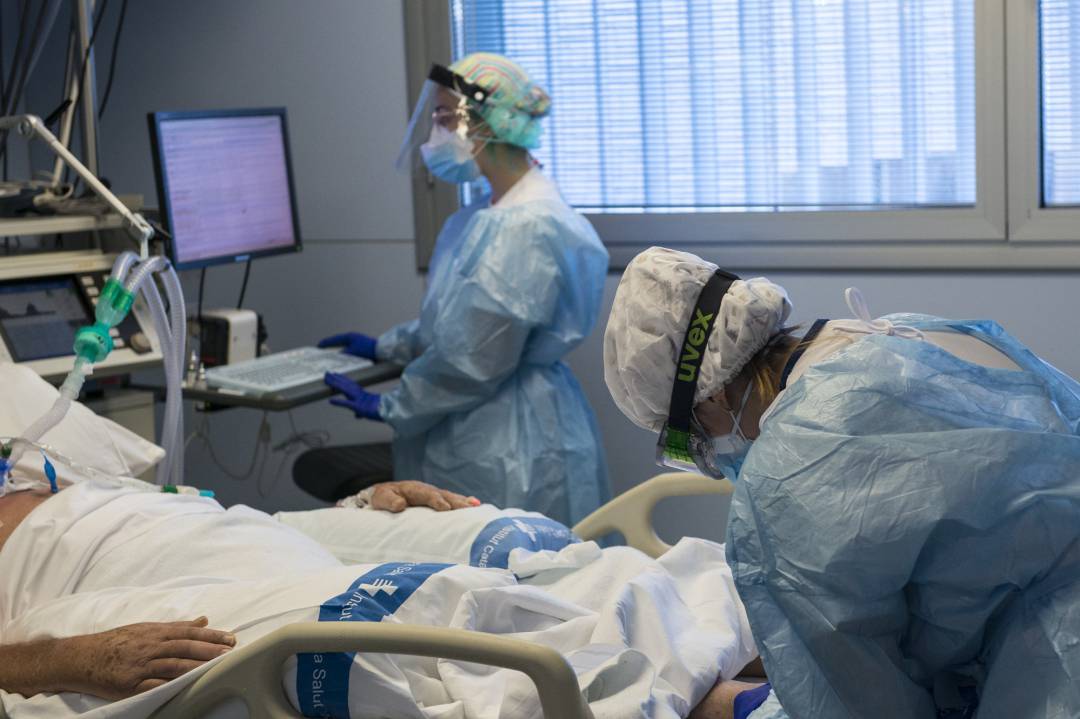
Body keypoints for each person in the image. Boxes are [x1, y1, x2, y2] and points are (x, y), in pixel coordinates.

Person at [603, 246, 1080, 719]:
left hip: (1054, 659)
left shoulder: (789, 475)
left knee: (718, 704)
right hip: (1034, 628)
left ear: (712, 394)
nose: (709, 451)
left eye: (690, 440)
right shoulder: (890, 336)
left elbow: (860, 698)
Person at [319, 52, 610, 526]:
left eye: (443, 118)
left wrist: (390, 406)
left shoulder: (525, 227)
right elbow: (458, 323)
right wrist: (387, 346)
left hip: (507, 438)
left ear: (487, 123)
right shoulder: (486, 214)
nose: (435, 134)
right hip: (488, 422)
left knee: (512, 578)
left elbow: (474, 360)